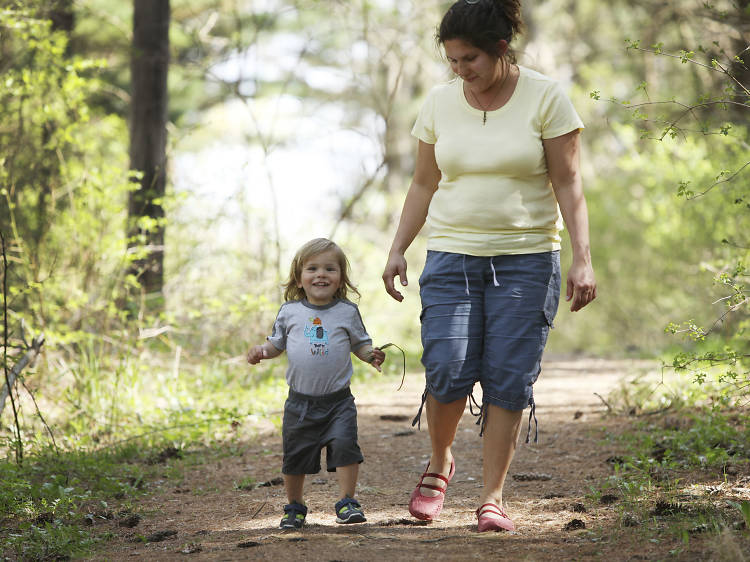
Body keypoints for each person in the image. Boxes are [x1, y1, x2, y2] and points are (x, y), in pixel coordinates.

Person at [382, 0, 596, 533]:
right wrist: (397, 248)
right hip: (452, 254)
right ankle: (440, 461)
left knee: (507, 376)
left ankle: (493, 496)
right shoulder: (438, 102)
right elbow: (423, 183)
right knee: (448, 366)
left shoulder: (545, 97)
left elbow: (569, 184)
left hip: (527, 258)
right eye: (452, 61)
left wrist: (583, 259)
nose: (461, 71)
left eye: (469, 59)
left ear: (501, 48)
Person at [248, 238, 385, 530]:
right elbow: (275, 345)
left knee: (347, 446)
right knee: (295, 455)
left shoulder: (347, 312)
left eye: (330, 269)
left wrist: (370, 356)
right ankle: (295, 506)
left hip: (339, 401)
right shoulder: (289, 312)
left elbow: (360, 344)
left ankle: (347, 501)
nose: (321, 274)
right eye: (312, 268)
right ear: (299, 278)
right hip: (300, 403)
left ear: (340, 279)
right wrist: (261, 352)